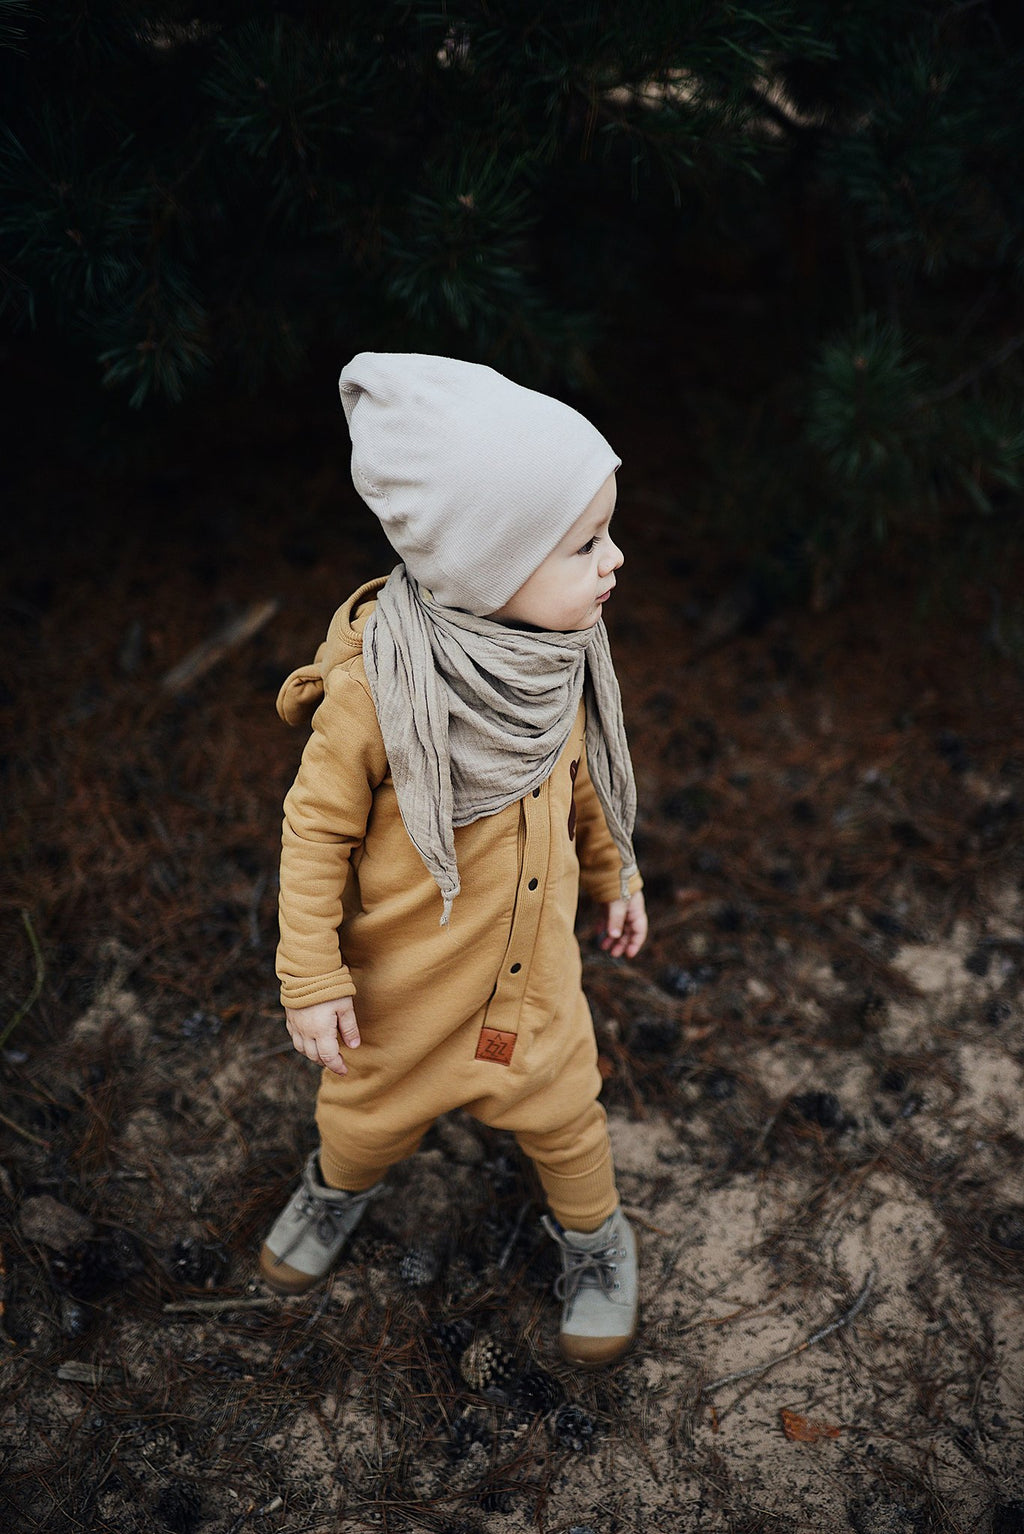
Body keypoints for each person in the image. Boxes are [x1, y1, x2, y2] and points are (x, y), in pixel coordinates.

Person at [260, 353, 647, 1366]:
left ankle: (599, 1244)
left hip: (533, 989)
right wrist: (311, 978)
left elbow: (582, 789)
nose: (614, 562)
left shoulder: (551, 664)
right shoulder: (378, 696)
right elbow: (314, 836)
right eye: (584, 545)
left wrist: (614, 877)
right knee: (359, 1120)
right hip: (404, 994)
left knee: (569, 1116)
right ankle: (333, 1189)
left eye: (606, 533)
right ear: (485, 566)